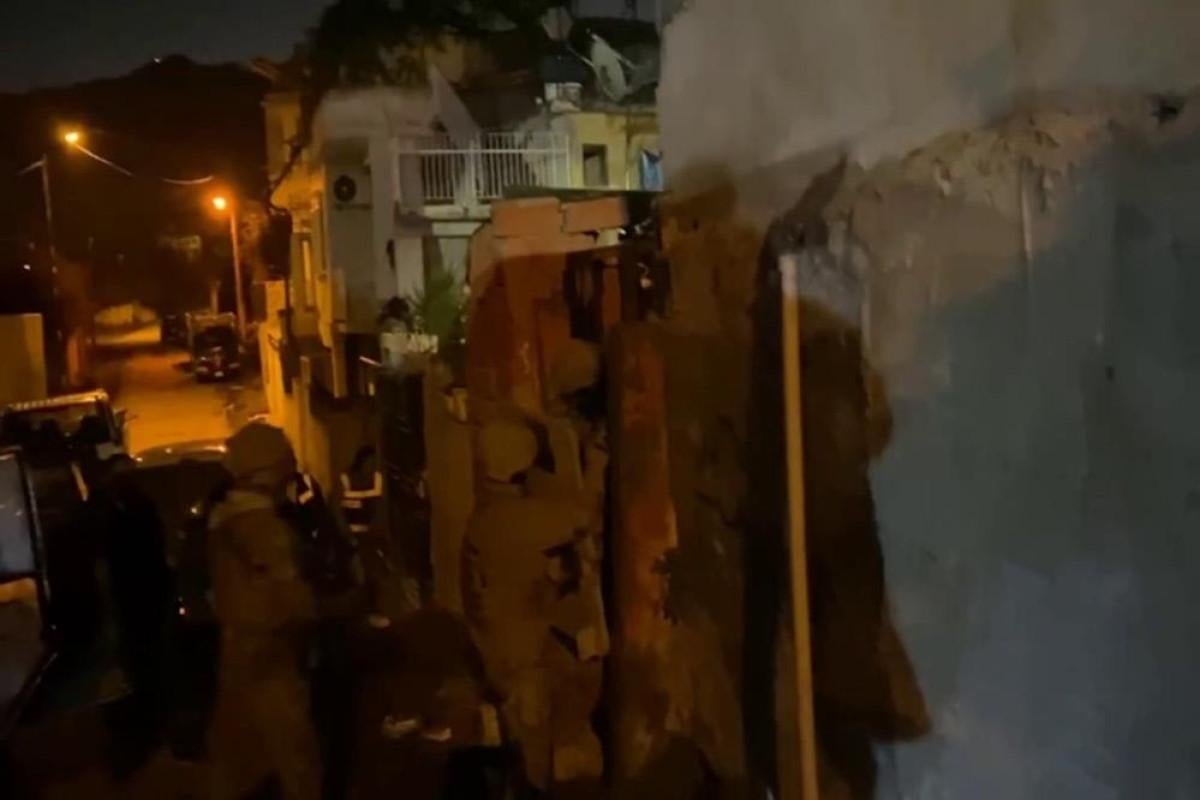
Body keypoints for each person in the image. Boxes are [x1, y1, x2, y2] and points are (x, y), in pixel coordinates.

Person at [206, 422, 321, 800]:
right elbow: (293, 599)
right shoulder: (262, 528)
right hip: (269, 661)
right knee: (297, 768)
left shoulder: (225, 519)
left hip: (239, 658)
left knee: (242, 769)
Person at [337, 445, 391, 628]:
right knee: (356, 575)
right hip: (353, 538)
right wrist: (346, 535)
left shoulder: (377, 479)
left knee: (373, 575)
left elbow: (381, 509)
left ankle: (374, 610)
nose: (372, 466)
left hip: (370, 538)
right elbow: (338, 510)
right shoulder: (345, 479)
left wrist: (378, 535)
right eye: (369, 462)